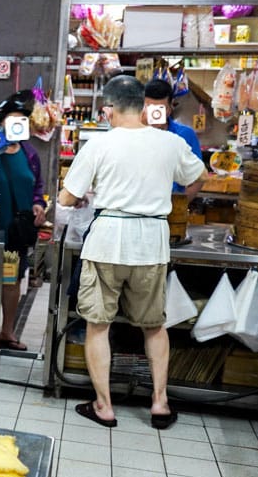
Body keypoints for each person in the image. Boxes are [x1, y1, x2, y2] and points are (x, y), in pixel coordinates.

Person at [58, 75, 206, 430]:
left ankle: (104, 406)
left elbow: (66, 197)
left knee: (98, 325)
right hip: (151, 243)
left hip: (107, 241)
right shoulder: (170, 142)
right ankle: (160, 403)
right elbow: (199, 176)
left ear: (108, 110)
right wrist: (173, 199)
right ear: (143, 107)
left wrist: (85, 194)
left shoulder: (98, 144)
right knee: (154, 326)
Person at [0, 91, 48, 352]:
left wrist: (39, 204)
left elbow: (37, 187)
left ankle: (7, 331)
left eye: (22, 120)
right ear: (0, 122)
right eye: (12, 119)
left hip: (18, 228)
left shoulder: (29, 153)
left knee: (12, 279)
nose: (17, 124)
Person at [143, 78, 204, 193]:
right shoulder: (132, 134)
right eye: (150, 108)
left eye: (160, 109)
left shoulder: (185, 135)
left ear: (170, 107)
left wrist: (180, 202)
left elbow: (198, 177)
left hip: (172, 199)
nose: (155, 114)